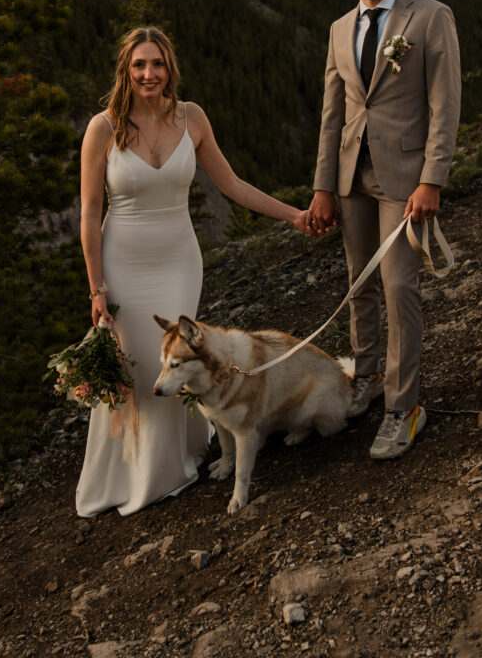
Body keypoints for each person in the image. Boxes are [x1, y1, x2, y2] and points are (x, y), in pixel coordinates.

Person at [76, 26, 310, 516]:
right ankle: (133, 474)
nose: (148, 74)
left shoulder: (193, 118)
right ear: (126, 70)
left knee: (175, 363)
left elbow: (232, 185)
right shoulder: (103, 128)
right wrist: (97, 287)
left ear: (170, 68)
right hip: (123, 262)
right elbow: (89, 217)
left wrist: (294, 214)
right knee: (137, 367)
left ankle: (179, 460)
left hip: (180, 261)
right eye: (139, 65)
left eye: (157, 64)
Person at [307, 0, 461, 460]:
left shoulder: (431, 16)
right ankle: (366, 375)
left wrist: (431, 180)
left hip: (405, 181)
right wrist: (324, 186)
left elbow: (446, 106)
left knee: (398, 288)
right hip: (350, 178)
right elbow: (333, 115)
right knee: (358, 284)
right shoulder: (338, 29)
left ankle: (404, 407)